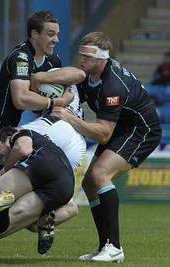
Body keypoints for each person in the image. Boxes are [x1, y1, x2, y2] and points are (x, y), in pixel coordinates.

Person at [0, 10, 85, 214]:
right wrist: (57, 101)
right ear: (34, 34)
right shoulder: (21, 57)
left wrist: (45, 81)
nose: (56, 39)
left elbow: (78, 75)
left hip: (12, 129)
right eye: (50, 34)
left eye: (57, 34)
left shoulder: (53, 60)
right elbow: (20, 99)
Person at [51, 32, 162, 263]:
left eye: (87, 57)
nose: (81, 60)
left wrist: (71, 120)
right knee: (90, 182)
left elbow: (103, 134)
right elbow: (72, 94)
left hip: (141, 131)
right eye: (80, 54)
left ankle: (115, 247)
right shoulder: (89, 75)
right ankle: (104, 246)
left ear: (101, 59)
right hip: (120, 128)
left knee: (100, 175)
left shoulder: (112, 86)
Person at [0, 84, 86, 254]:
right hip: (69, 153)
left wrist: (0, 170)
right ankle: (46, 217)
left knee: (14, 207)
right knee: (67, 208)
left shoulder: (29, 129)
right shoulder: (66, 102)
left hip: (55, 147)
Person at [0, 128, 75, 248]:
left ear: (7, 138)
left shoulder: (21, 134)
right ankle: (3, 209)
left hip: (43, 164)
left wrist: (4, 170)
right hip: (65, 186)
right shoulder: (49, 147)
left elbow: (22, 149)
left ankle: (3, 207)